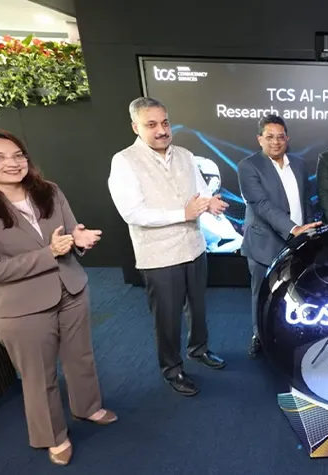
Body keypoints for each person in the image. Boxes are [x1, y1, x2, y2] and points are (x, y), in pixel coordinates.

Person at [0, 127, 115, 466]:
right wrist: (50, 253)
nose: (13, 163)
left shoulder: (48, 190)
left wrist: (79, 239)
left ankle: (88, 407)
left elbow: (69, 233)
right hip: (22, 307)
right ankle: (53, 436)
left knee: (81, 358)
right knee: (39, 377)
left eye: (18, 155)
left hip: (72, 289)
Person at [108, 97, 229, 397]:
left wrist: (208, 202)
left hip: (194, 247)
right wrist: (183, 214)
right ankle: (172, 369)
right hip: (159, 256)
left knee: (198, 307)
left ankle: (198, 349)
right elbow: (132, 213)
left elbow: (200, 189)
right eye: (151, 125)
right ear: (136, 127)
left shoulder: (185, 155)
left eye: (164, 122)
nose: (161, 130)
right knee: (167, 318)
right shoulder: (124, 161)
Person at [238, 115, 320, 357]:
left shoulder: (299, 163)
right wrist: (293, 228)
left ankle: (288, 333)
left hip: (297, 242)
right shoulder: (248, 166)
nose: (275, 142)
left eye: (280, 137)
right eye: (269, 137)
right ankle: (258, 335)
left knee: (294, 291)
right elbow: (261, 205)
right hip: (264, 242)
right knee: (261, 293)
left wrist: (306, 230)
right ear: (259, 139)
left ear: (287, 139)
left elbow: (306, 200)